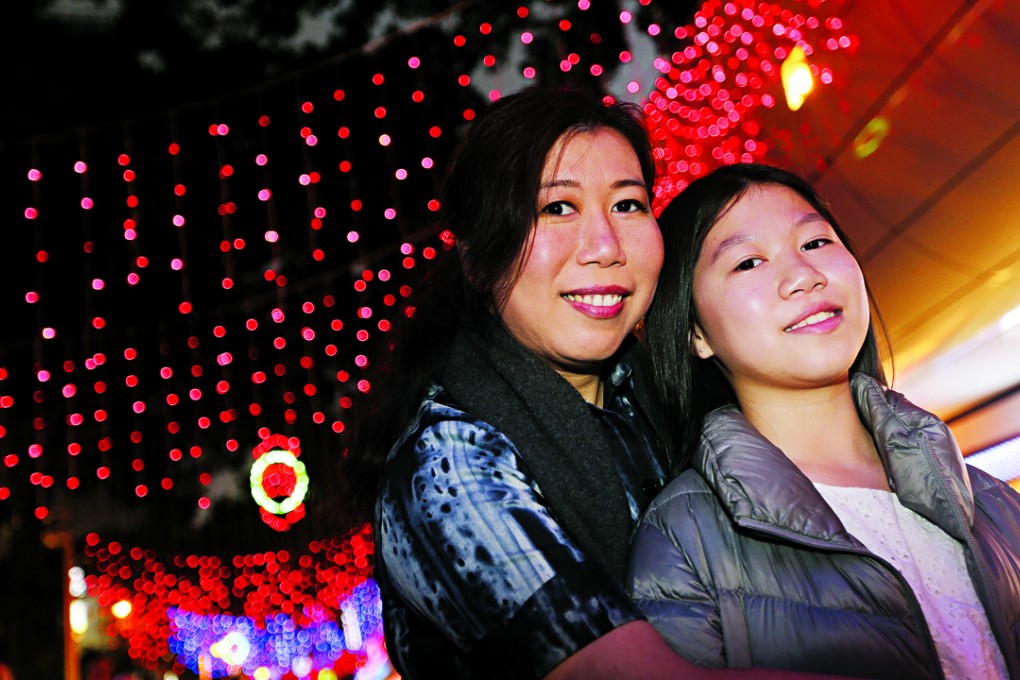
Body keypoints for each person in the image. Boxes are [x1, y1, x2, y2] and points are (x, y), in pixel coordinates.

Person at [335, 89, 837, 679]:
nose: (605, 248)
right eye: (556, 208)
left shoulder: (673, 396)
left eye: (628, 205)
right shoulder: (448, 464)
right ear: (476, 257)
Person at [628, 162, 1020, 679]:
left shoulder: (992, 500)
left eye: (814, 243)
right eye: (748, 262)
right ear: (696, 333)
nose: (803, 276)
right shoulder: (683, 538)